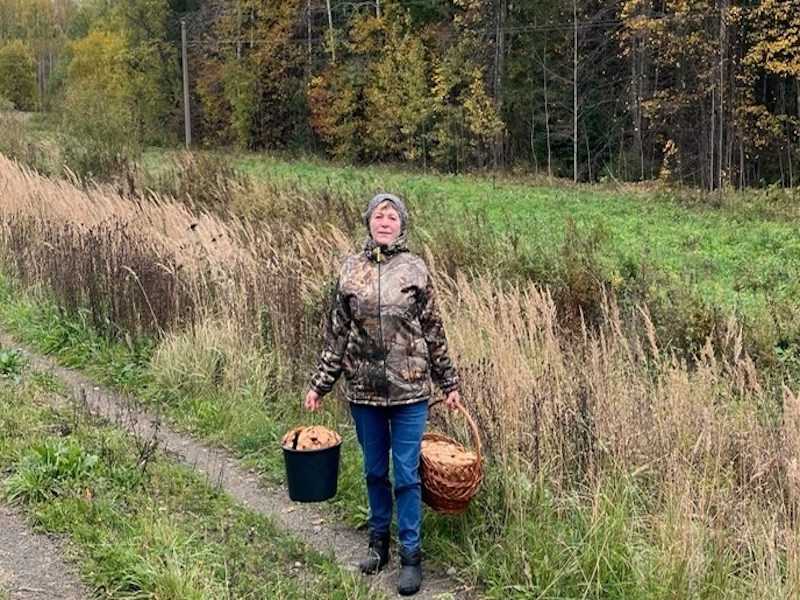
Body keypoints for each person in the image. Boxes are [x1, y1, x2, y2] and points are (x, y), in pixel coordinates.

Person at [304, 192, 460, 596]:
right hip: (364, 392)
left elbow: (434, 331)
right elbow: (337, 334)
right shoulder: (350, 269)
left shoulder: (415, 268)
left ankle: (411, 556)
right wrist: (321, 384)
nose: (385, 222)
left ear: (401, 224)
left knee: (406, 475)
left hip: (410, 391)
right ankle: (378, 546)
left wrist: (449, 383)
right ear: (369, 222)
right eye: (379, 215)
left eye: (392, 216)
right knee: (375, 471)